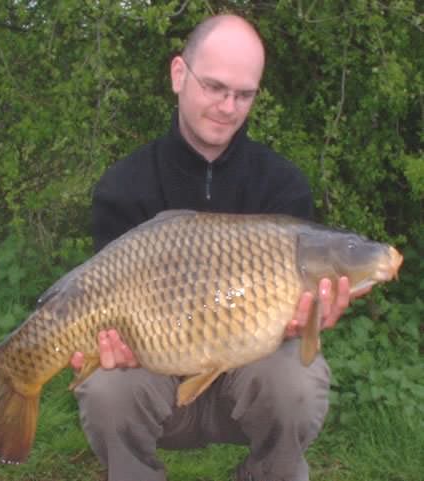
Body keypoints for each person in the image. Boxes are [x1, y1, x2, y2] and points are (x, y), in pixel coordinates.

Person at [71, 14, 366, 481]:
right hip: (158, 374)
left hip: (246, 377)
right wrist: (113, 345)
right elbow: (103, 309)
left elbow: (297, 322)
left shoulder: (282, 185)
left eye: (244, 94)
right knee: (106, 389)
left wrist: (307, 319)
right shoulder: (123, 187)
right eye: (214, 87)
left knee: (298, 383)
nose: (228, 106)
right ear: (178, 75)